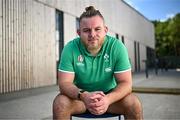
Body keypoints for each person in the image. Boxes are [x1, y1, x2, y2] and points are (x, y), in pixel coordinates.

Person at [53, 6, 143, 120]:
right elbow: (64, 84)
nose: (92, 34)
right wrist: (83, 95)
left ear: (105, 30)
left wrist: (108, 99)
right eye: (86, 30)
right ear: (79, 32)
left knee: (133, 103)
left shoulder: (117, 47)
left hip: (110, 98)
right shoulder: (70, 48)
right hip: (80, 99)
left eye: (97, 29)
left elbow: (126, 83)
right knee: (60, 103)